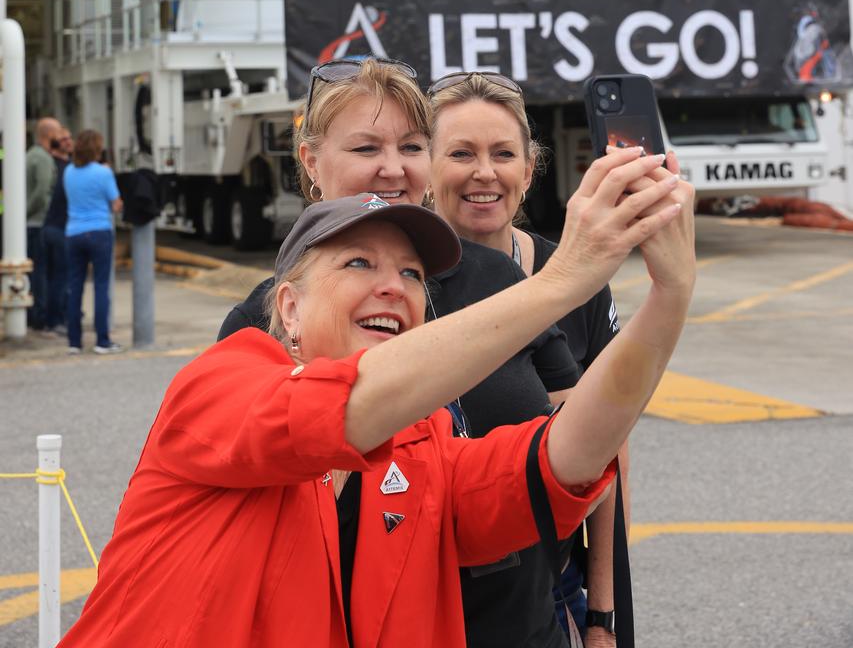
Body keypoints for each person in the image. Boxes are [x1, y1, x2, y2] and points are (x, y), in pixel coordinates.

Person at [59, 151, 694, 647]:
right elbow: (331, 409)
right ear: (290, 308)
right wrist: (563, 282)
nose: (395, 287)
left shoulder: (424, 445)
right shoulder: (220, 384)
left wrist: (669, 300)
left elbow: (563, 458)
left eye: (413, 274)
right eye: (358, 263)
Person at [428, 71, 639, 644]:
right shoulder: (400, 285)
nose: (484, 173)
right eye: (461, 154)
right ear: (426, 167)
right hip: (432, 587)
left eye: (503, 154)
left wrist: (602, 616)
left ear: (528, 169)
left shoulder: (577, 281)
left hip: (553, 587)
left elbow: (607, 450)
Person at [63, 129, 123, 355]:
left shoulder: (68, 171)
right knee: (100, 286)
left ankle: (74, 342)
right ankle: (102, 341)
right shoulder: (103, 172)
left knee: (75, 287)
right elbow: (116, 204)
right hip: (99, 231)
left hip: (73, 232)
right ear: (97, 149)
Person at [25, 116, 62, 330]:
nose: (60, 137)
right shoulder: (43, 159)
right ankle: (40, 316)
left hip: (31, 222)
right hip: (38, 222)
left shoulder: (31, 155)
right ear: (49, 135)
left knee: (34, 271)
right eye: (58, 132)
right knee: (41, 271)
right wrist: (27, 212)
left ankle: (33, 313)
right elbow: (42, 192)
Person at [41, 125, 73, 336]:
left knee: (57, 276)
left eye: (69, 137)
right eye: (63, 139)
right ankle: (55, 319)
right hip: (58, 227)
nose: (69, 141)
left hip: (57, 227)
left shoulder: (67, 166)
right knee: (60, 277)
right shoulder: (56, 166)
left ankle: (60, 316)